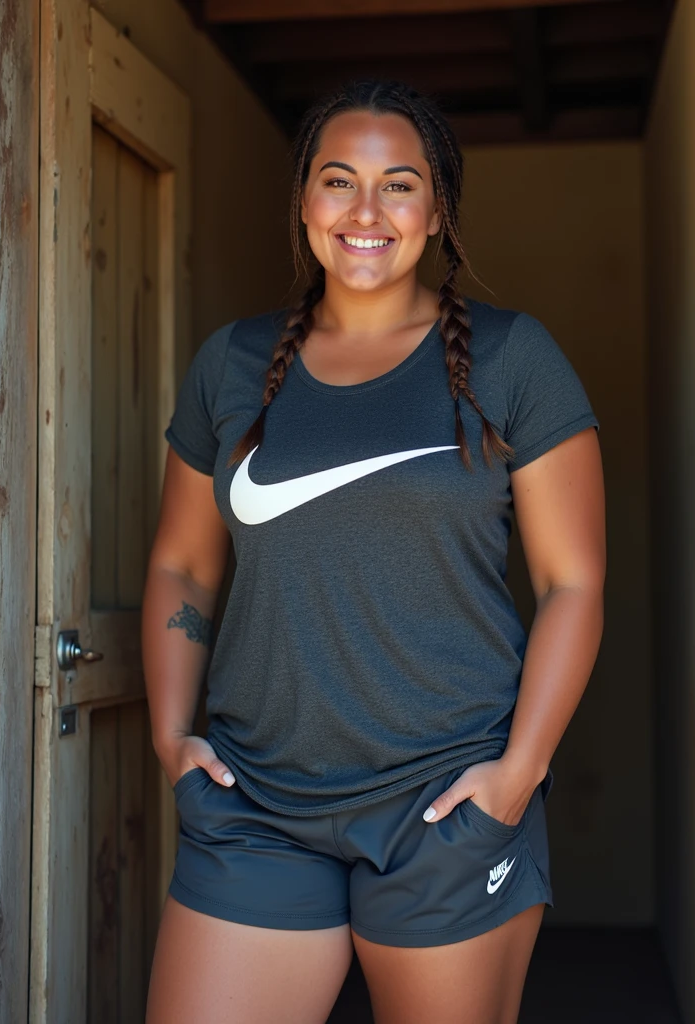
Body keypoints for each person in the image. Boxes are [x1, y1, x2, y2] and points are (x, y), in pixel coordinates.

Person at [143, 79, 605, 1024]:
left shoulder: (512, 361)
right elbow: (181, 566)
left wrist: (514, 780)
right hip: (254, 803)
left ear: (437, 211)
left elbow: (575, 583)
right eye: (338, 180)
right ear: (304, 202)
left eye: (399, 185)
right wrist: (168, 734)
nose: (365, 211)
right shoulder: (231, 365)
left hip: (445, 808)